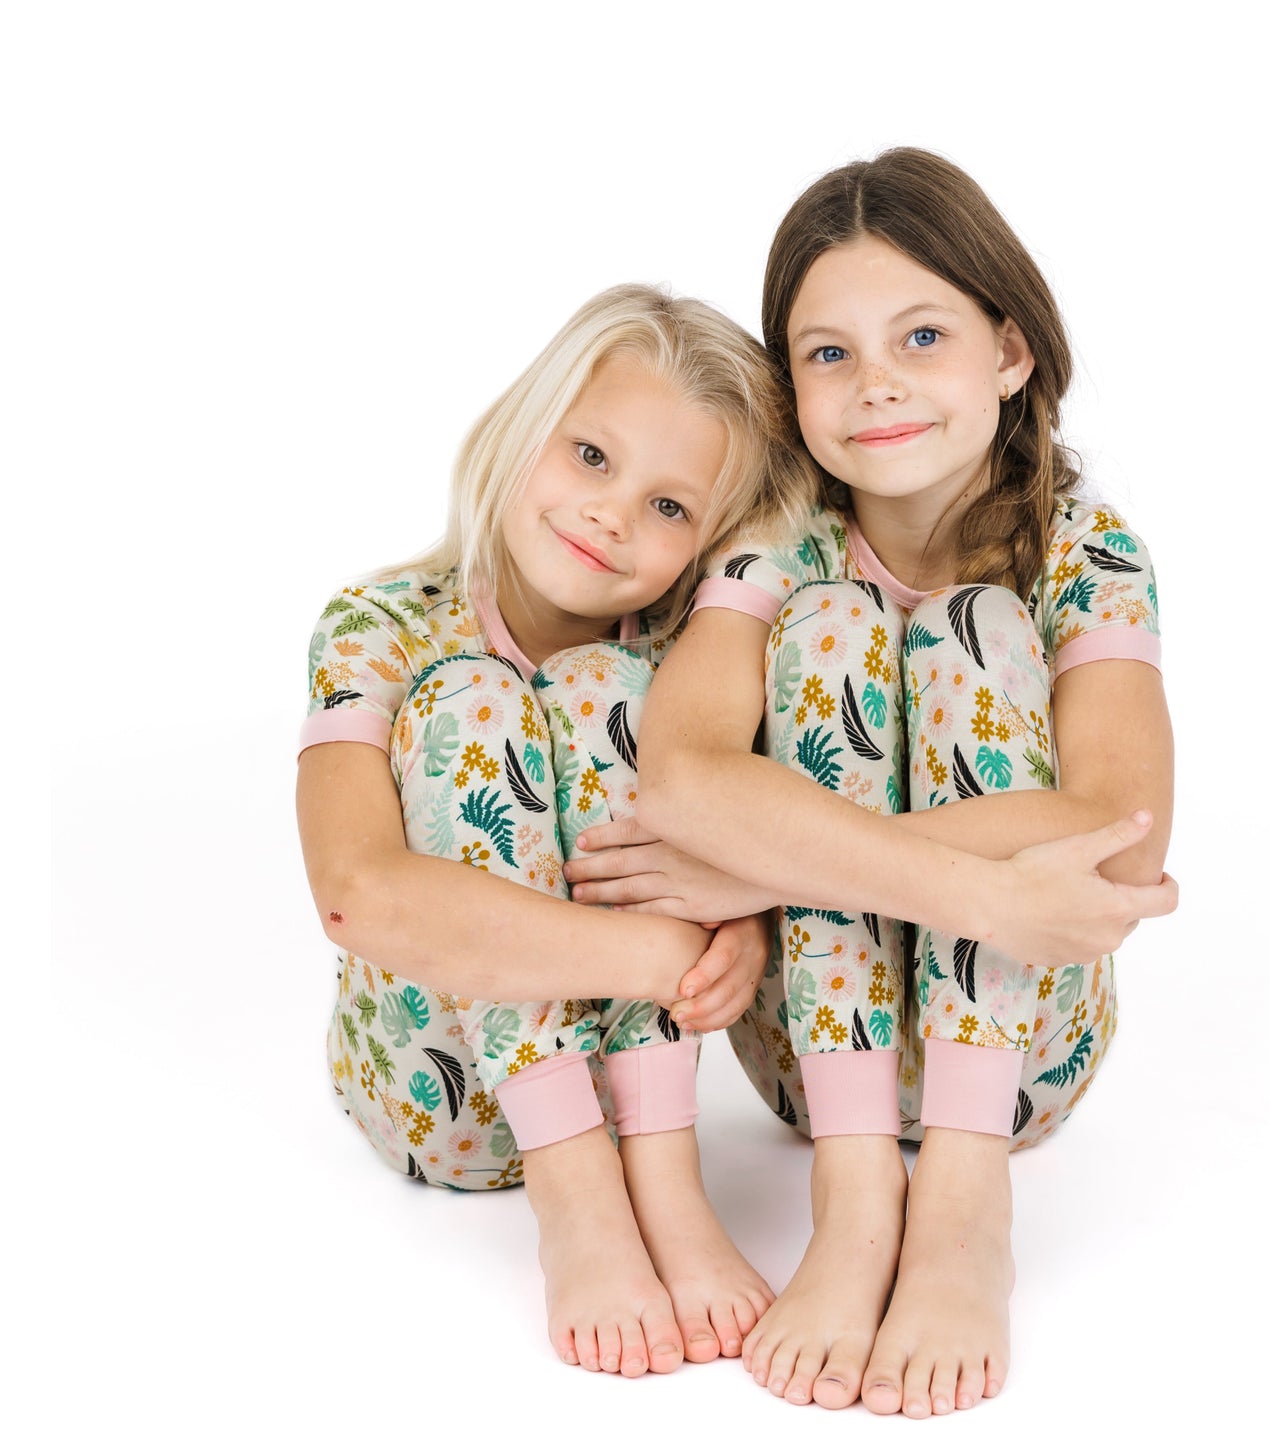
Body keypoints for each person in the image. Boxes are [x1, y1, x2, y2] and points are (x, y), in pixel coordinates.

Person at [564, 149, 1177, 1417]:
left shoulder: (1083, 544)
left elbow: (1117, 840)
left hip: (1020, 1061)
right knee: (835, 626)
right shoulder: (776, 541)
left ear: (1007, 353)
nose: (876, 381)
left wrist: (764, 855)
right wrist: (965, 879)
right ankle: (851, 1199)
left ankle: (958, 1204)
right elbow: (679, 775)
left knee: (971, 632)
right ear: (789, 390)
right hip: (800, 1051)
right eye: (827, 353)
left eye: (919, 334)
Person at [296, 284, 817, 1379]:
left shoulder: (685, 650)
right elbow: (359, 894)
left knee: (615, 694)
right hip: (445, 1095)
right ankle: (579, 1200)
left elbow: (738, 851)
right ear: (523, 426)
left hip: (644, 1097)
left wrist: (747, 924)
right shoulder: (383, 624)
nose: (613, 513)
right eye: (590, 455)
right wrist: (663, 951)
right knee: (468, 702)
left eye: (671, 506)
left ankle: (667, 1189)